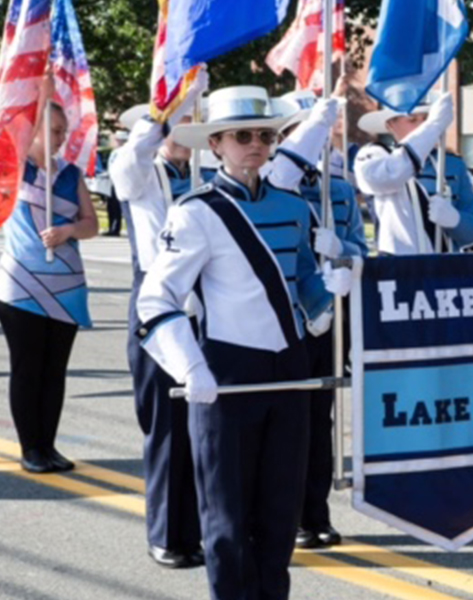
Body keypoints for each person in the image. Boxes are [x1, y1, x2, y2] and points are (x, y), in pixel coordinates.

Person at [135, 86, 349, 600]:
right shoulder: (195, 212)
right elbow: (156, 299)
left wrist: (335, 286)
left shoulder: (295, 207)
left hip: (292, 372)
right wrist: (190, 365)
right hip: (226, 376)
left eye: (266, 135)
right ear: (217, 145)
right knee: (228, 522)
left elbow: (306, 295)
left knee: (278, 516)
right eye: (242, 136)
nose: (256, 144)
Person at [109, 74, 210, 569]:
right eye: (175, 122)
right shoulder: (138, 171)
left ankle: (205, 527)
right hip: (158, 302)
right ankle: (169, 535)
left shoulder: (203, 177)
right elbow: (130, 164)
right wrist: (172, 105)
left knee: (206, 425)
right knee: (168, 426)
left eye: (190, 119)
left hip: (205, 305)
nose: (182, 129)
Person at [272, 86, 368, 550]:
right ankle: (277, 515)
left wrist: (343, 254)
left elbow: (361, 252)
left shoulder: (342, 190)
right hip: (279, 321)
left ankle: (314, 516)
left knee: (318, 422)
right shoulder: (271, 184)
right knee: (282, 424)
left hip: (329, 319)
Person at [0, 80, 98, 474]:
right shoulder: (11, 168)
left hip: (67, 285)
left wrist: (69, 231)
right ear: (35, 129)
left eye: (63, 131)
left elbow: (90, 223)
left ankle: (49, 446)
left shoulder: (72, 175)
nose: (61, 138)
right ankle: (30, 449)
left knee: (55, 370)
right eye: (54, 130)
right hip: (20, 283)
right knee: (28, 367)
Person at [355, 91, 473, 255]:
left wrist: (456, 221)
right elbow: (390, 176)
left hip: (448, 271)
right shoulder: (374, 157)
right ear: (390, 125)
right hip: (400, 270)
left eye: (426, 119)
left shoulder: (452, 164)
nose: (423, 126)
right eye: (412, 120)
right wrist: (434, 125)